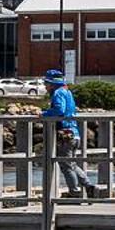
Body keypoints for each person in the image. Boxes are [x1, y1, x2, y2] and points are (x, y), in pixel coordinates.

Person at [41, 69, 96, 197]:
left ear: (52, 84)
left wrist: (44, 114)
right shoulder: (68, 92)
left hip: (65, 135)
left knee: (66, 166)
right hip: (74, 133)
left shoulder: (58, 93)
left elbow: (60, 110)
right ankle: (89, 186)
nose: (45, 86)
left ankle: (75, 193)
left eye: (47, 83)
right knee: (71, 163)